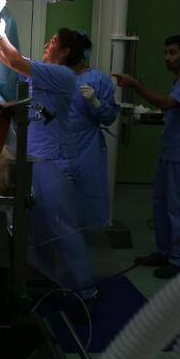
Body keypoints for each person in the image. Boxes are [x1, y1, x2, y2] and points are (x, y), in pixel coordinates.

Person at [0, 0, 96, 306]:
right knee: (35, 226)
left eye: (51, 41)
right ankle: (47, 281)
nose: (47, 45)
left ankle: (87, 292)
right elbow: (7, 60)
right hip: (38, 160)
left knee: (63, 229)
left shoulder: (61, 75)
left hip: (54, 162)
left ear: (65, 51)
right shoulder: (47, 74)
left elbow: (16, 60)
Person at [114, 34, 180, 279]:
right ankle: (164, 251)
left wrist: (135, 85)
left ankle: (179, 260)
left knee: (179, 209)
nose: (167, 58)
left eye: (173, 53)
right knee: (161, 205)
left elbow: (168, 104)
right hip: (171, 152)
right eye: (166, 53)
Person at [69, 33, 120, 228]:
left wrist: (96, 103)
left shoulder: (98, 79)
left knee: (87, 192)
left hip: (87, 147)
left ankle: (87, 235)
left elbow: (109, 117)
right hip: (59, 145)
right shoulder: (58, 76)